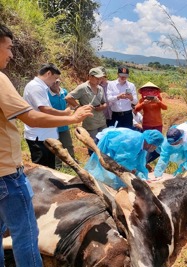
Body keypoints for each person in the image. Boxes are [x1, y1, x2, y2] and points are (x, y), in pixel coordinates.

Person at [0, 24, 92, 266]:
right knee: (26, 234)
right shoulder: (2, 80)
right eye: (8, 48)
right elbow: (31, 115)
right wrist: (71, 117)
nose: (11, 55)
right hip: (6, 173)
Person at [23, 63, 72, 169]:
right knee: (42, 171)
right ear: (48, 73)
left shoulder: (41, 87)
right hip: (39, 137)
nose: (55, 81)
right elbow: (45, 109)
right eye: (55, 78)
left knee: (49, 169)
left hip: (45, 136)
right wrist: (65, 114)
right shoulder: (35, 87)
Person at [85, 128, 164, 189]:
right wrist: (135, 172)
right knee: (105, 170)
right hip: (107, 144)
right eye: (155, 147)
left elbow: (140, 162)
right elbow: (120, 161)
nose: (154, 149)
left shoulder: (143, 145)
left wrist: (144, 176)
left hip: (117, 149)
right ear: (150, 144)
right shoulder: (133, 141)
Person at [65, 67, 108, 144]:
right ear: (90, 77)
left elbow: (104, 102)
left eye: (100, 78)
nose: (99, 81)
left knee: (104, 143)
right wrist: (79, 108)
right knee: (93, 144)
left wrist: (103, 106)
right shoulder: (83, 87)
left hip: (102, 121)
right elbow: (68, 97)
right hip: (90, 122)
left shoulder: (100, 88)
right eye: (97, 78)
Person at [48, 79, 76, 168]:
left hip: (64, 124)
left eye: (57, 82)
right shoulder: (47, 94)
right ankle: (58, 166)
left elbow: (68, 103)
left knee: (68, 145)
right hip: (53, 125)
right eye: (54, 82)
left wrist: (68, 109)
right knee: (55, 146)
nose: (56, 84)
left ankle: (72, 164)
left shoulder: (64, 91)